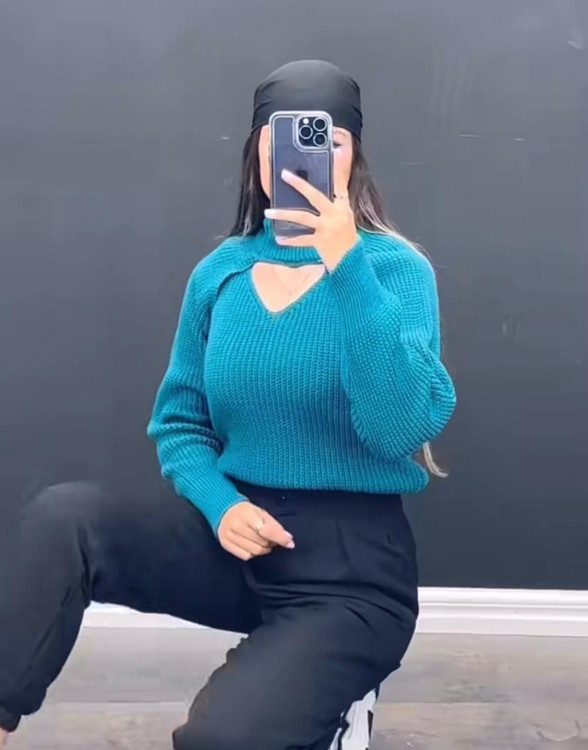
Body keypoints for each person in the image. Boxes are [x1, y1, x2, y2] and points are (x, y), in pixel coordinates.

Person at [0, 60, 457, 749]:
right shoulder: (220, 273)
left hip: (350, 569)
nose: (305, 156)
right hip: (236, 537)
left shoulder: (394, 270)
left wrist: (347, 267)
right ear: (257, 152)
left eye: (329, 140)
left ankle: (333, 697)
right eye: (285, 138)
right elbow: (180, 424)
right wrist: (221, 506)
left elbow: (400, 426)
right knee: (64, 518)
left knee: (223, 738)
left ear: (354, 157)